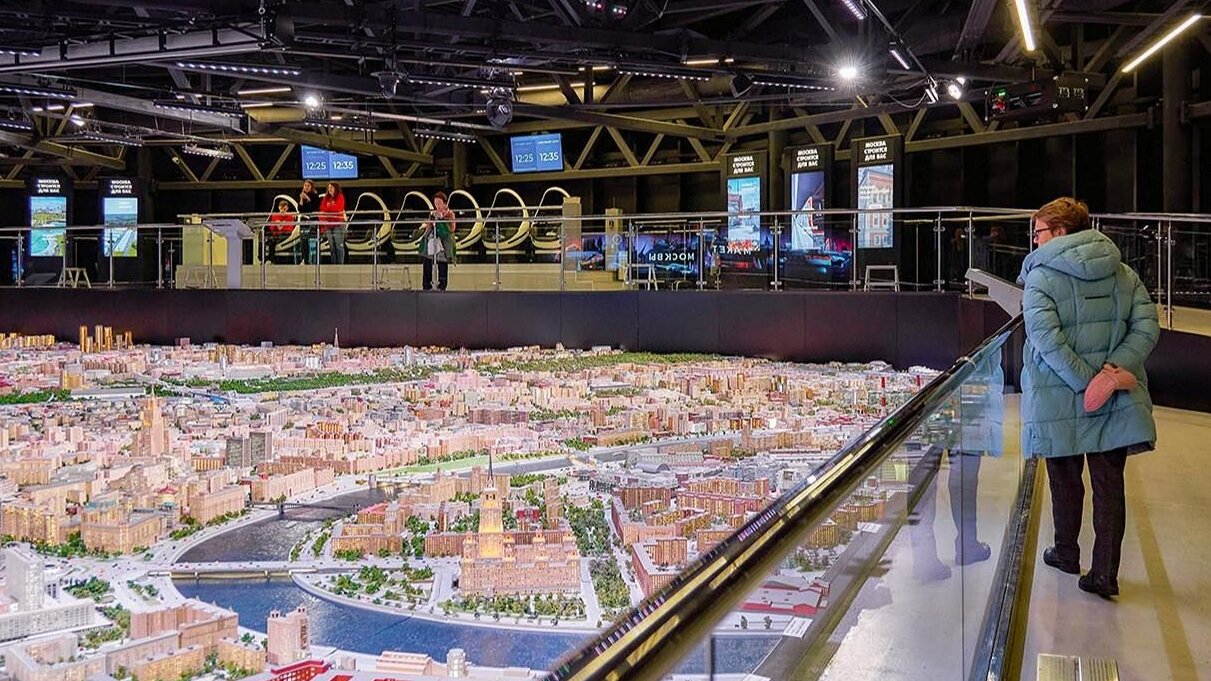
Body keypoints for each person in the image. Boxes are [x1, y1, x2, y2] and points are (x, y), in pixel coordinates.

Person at [1019, 197, 1159, 600]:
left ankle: (1066, 552)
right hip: (1114, 398)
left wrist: (1087, 383)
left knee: (1065, 480)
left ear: (1060, 232)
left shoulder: (1041, 278)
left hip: (1060, 396)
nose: (1035, 240)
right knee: (1109, 486)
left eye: (1038, 232)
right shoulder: (1123, 273)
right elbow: (1147, 328)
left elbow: (1046, 340)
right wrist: (1111, 375)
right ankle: (1104, 574)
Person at [419, 191, 456, 290]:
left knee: (442, 263)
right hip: (432, 241)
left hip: (443, 243)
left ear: (444, 203)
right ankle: (426, 285)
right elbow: (428, 227)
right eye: (435, 203)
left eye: (439, 203)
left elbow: (452, 229)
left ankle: (442, 285)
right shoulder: (433, 213)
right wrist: (428, 223)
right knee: (427, 261)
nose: (437, 205)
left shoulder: (450, 214)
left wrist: (442, 219)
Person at [318, 182, 347, 265]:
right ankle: (334, 264)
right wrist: (330, 208)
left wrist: (328, 209)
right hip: (328, 225)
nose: (329, 189)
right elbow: (322, 208)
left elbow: (338, 209)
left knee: (339, 245)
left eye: (331, 187)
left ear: (335, 188)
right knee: (332, 246)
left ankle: (340, 264)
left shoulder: (340, 197)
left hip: (338, 224)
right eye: (329, 188)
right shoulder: (326, 198)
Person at [266, 200, 297, 264]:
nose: (282, 210)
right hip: (276, 235)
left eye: (284, 208)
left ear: (287, 208)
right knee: (271, 241)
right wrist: (276, 225)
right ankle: (271, 259)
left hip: (285, 235)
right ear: (279, 208)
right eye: (281, 208)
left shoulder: (290, 216)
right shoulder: (275, 216)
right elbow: (271, 228)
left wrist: (282, 226)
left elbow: (290, 229)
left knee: (280, 236)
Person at [298, 180, 319, 263]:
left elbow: (313, 208)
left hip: (312, 220)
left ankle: (313, 260)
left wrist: (307, 198)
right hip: (304, 221)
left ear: (311, 187)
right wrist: (301, 199)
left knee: (312, 240)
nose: (306, 187)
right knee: (303, 240)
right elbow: (300, 209)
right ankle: (305, 259)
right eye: (305, 186)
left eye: (308, 186)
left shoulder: (315, 196)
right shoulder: (302, 195)